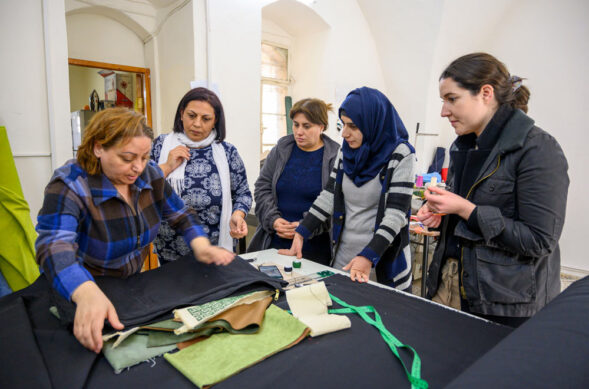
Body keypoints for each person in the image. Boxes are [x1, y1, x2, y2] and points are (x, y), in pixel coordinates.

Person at [35, 108, 235, 353]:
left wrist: (201, 244)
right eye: (127, 158)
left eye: (144, 157)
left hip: (129, 285)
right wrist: (84, 291)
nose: (138, 167)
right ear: (98, 148)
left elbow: (180, 213)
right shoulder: (70, 185)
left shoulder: (149, 175)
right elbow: (54, 245)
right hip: (82, 288)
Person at [417, 53, 569, 327]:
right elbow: (470, 214)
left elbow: (539, 240)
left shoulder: (538, 148)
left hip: (505, 304)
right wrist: (443, 213)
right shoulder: (464, 144)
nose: (443, 111)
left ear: (485, 93)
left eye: (452, 99)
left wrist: (464, 209)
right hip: (450, 285)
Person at [280, 87, 416, 290]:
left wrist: (368, 256)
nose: (345, 133)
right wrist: (302, 232)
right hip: (343, 259)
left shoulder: (401, 155)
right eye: (343, 124)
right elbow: (329, 195)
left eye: (353, 126)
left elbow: (396, 215)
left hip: (380, 263)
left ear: (372, 123)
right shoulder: (347, 152)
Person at [151, 88, 252, 260]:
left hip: (215, 251)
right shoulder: (161, 145)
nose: (197, 124)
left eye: (206, 119)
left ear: (215, 121)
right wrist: (167, 166)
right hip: (168, 251)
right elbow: (141, 185)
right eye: (191, 115)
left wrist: (238, 214)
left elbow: (243, 193)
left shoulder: (227, 153)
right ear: (181, 114)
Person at [248, 98, 340, 265]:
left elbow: (334, 204)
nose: (298, 131)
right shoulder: (282, 149)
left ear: (322, 127)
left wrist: (305, 226)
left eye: (306, 126)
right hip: (274, 241)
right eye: (296, 124)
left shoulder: (335, 157)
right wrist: (273, 220)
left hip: (314, 247)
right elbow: (262, 187)